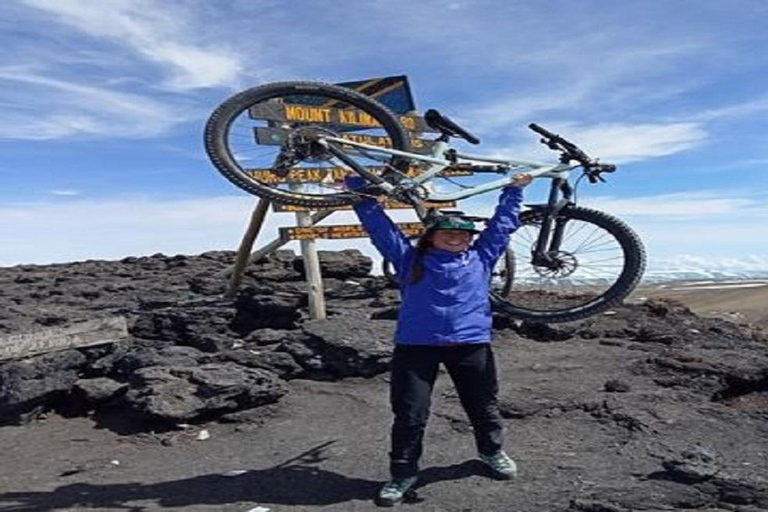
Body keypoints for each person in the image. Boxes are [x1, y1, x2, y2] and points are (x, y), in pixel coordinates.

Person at [347, 173, 533, 507]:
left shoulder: (481, 257)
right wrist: (359, 192)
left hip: (471, 345)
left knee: (483, 405)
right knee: (410, 413)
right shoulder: (409, 260)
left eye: (463, 234)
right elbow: (381, 228)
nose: (456, 237)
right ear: (431, 237)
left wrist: (513, 191)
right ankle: (403, 473)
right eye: (447, 232)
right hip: (416, 347)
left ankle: (492, 452)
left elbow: (502, 226)